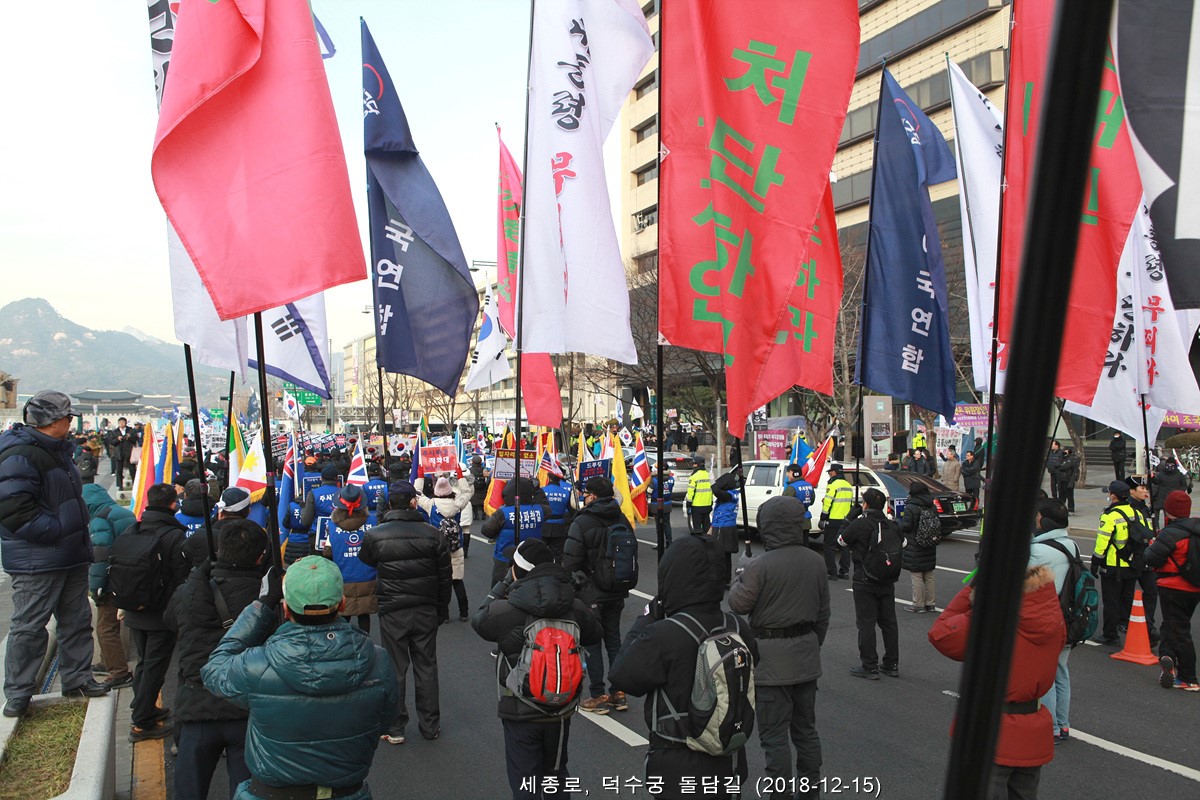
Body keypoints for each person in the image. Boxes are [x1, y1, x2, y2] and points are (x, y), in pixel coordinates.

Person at [201, 556, 399, 800]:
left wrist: (262, 606)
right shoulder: (378, 661)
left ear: (286, 609)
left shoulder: (257, 665)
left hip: (270, 793)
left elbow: (213, 670)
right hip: (347, 792)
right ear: (342, 604)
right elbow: (385, 720)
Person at [608, 534, 758, 794]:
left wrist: (647, 618)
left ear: (672, 575)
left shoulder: (664, 633)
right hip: (730, 761)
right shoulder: (736, 626)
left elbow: (621, 675)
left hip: (678, 765)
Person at [0, 390, 108, 718]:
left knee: (77, 620)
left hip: (69, 553)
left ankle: (77, 678)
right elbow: (13, 508)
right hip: (38, 558)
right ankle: (19, 692)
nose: (71, 422)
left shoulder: (56, 450)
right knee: (29, 626)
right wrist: (56, 530)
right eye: (67, 417)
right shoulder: (21, 453)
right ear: (52, 421)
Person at [472, 539, 603, 800]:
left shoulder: (506, 610)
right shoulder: (573, 607)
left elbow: (479, 620)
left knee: (525, 780)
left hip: (520, 708)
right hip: (561, 708)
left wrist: (504, 584)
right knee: (556, 774)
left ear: (516, 571)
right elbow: (595, 632)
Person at [929, 565, 1065, 800]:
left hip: (991, 729)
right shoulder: (1051, 613)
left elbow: (941, 634)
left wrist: (973, 591)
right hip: (1032, 726)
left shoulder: (994, 618)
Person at [728, 497, 829, 800]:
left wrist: (741, 572)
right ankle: (810, 791)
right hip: (806, 656)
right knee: (806, 731)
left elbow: (738, 604)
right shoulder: (816, 561)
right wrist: (811, 644)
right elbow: (823, 613)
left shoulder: (759, 565)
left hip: (770, 662)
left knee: (774, 738)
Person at [165, 520, 270, 800]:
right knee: (247, 792)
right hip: (247, 710)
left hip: (196, 705)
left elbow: (170, 621)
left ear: (221, 550)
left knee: (189, 792)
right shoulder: (266, 597)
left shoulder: (190, 591)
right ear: (260, 556)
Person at [358, 480, 452, 745]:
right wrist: (442, 608)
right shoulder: (434, 534)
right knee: (426, 666)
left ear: (389, 503)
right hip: (425, 608)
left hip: (392, 609)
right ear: (413, 502)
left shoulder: (375, 535)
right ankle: (430, 725)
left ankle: (395, 727)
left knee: (395, 668)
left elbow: (367, 560)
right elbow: (445, 577)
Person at [123, 483, 192, 741]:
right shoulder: (173, 535)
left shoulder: (133, 529)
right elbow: (182, 577)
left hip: (134, 609)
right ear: (173, 504)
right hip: (160, 613)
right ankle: (142, 723)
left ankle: (145, 707)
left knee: (144, 663)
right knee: (155, 667)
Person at [563, 476, 631, 715]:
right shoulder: (621, 517)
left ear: (592, 496)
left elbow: (570, 562)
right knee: (614, 639)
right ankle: (619, 692)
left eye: (585, 494)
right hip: (617, 588)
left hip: (591, 592)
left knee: (592, 642)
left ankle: (597, 694)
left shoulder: (582, 521)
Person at [837, 488, 903, 679]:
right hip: (887, 578)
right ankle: (891, 664)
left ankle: (870, 666)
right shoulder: (891, 524)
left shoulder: (860, 524)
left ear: (865, 505)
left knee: (866, 623)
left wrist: (849, 518)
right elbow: (903, 544)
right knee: (889, 623)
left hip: (864, 578)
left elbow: (841, 541)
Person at [1028, 498, 1078, 743]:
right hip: (1068, 619)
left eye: (1037, 516)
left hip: (1046, 620)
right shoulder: (1072, 545)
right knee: (1060, 672)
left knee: (1044, 673)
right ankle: (1063, 724)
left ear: (1044, 521)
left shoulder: (1037, 551)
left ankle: (1052, 728)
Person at [1145, 490, 1200, 691]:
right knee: (1172, 624)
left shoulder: (1170, 533)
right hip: (1194, 586)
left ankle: (1188, 677)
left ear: (1168, 510)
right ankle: (1167, 655)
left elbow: (1152, 558)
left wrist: (1151, 545)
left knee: (1180, 631)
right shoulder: (1196, 528)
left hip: (1173, 586)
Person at [83, 480, 136, 690]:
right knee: (114, 624)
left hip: (112, 581)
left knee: (105, 628)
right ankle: (107, 661)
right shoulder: (123, 512)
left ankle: (119, 672)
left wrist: (96, 587)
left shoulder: (100, 519)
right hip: (130, 575)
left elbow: (100, 556)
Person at [1092, 480, 1147, 646]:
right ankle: (1127, 626)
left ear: (1113, 496)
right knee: (1127, 599)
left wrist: (1095, 562)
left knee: (1111, 602)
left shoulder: (1109, 516)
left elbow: (1102, 542)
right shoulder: (1136, 512)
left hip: (1113, 565)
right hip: (1132, 564)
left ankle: (1110, 634)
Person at [416, 474, 474, 621]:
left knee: (440, 583)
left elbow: (417, 493)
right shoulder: (457, 503)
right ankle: (464, 613)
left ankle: (444, 614)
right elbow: (467, 492)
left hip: (437, 549)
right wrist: (460, 475)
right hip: (456, 546)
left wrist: (420, 476)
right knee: (457, 580)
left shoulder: (431, 504)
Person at [324, 485, 379, 633]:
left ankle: (346, 643)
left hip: (343, 577)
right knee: (364, 615)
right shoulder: (372, 522)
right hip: (368, 577)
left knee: (344, 615)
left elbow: (327, 553)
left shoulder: (332, 526)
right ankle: (366, 641)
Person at [482, 478, 550, 587]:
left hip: (505, 558)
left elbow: (486, 530)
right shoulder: (541, 510)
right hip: (531, 559)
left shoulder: (503, 512)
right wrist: (537, 490)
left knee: (500, 589)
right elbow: (546, 505)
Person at [1124, 475, 1160, 643]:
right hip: (1133, 556)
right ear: (1132, 491)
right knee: (1127, 593)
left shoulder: (1145, 507)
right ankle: (1126, 623)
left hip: (1147, 556)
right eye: (1142, 488)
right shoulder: (1128, 508)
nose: (1146, 491)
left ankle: (1148, 623)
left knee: (1151, 591)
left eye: (1146, 488)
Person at [899, 482, 939, 613]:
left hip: (915, 543)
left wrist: (897, 523)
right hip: (930, 543)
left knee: (916, 575)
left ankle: (918, 604)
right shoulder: (932, 505)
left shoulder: (911, 506)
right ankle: (931, 604)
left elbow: (906, 526)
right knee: (929, 575)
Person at [818, 464, 854, 580]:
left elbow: (827, 502)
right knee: (844, 545)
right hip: (846, 520)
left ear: (834, 472)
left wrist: (823, 517)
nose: (829, 474)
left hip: (833, 520)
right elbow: (851, 503)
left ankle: (832, 572)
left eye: (830, 472)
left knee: (829, 546)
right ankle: (844, 572)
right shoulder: (848, 485)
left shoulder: (833, 485)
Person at [300, 464, 342, 553]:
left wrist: (303, 508)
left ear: (321, 478)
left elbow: (305, 521)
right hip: (340, 535)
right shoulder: (344, 493)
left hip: (317, 536)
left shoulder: (313, 493)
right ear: (337, 478)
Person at [710, 470, 741, 586]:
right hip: (727, 526)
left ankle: (721, 580)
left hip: (723, 527)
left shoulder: (729, 494)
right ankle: (726, 580)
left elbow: (718, 492)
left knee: (719, 555)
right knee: (726, 556)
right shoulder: (734, 493)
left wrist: (712, 483)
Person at [540, 470, 575, 563]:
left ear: (549, 478)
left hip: (543, 526)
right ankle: (557, 570)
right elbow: (571, 510)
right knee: (558, 554)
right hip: (559, 527)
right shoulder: (566, 493)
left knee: (541, 552)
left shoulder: (542, 491)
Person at [105, 416, 140, 490]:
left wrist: (129, 437)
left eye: (123, 422)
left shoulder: (131, 430)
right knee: (119, 470)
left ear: (125, 423)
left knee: (132, 469)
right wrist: (117, 439)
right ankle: (120, 485)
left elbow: (136, 440)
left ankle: (135, 484)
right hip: (119, 452)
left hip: (129, 452)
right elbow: (112, 442)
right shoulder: (115, 432)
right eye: (120, 422)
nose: (121, 424)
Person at [782, 463, 816, 537]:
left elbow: (784, 505)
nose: (787, 475)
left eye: (788, 472)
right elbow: (811, 501)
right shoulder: (809, 486)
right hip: (806, 520)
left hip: (793, 521)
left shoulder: (791, 488)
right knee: (804, 542)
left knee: (794, 543)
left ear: (793, 473)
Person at [650, 462, 675, 549]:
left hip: (656, 504)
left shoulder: (654, 479)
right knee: (667, 524)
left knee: (659, 526)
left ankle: (660, 543)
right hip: (667, 503)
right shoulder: (671, 479)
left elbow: (649, 491)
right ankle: (669, 542)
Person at [684, 459, 713, 533]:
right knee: (706, 527)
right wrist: (711, 501)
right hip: (707, 505)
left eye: (694, 464)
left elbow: (690, 492)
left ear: (697, 465)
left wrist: (688, 503)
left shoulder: (694, 476)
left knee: (697, 528)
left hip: (697, 506)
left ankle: (699, 540)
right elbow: (712, 489)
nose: (693, 465)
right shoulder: (709, 475)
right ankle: (707, 539)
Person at [1057, 447, 1080, 513]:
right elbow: (1057, 465)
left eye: (1065, 451)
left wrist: (1059, 466)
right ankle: (1061, 508)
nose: (1064, 452)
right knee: (1061, 495)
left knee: (1069, 496)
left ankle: (1071, 508)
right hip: (1061, 480)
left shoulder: (1071, 459)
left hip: (1068, 480)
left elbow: (1064, 467)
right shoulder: (1061, 458)